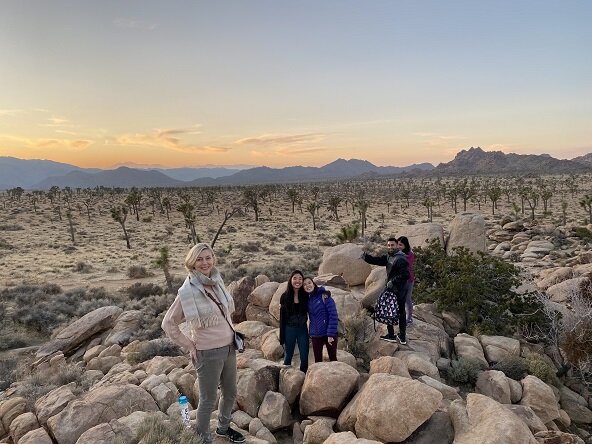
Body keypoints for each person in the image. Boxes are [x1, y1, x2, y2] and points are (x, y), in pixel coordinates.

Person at [161, 243, 245, 444]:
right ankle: (203, 437)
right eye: (199, 259)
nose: (205, 262)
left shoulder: (217, 282)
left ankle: (223, 428)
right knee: (208, 400)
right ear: (192, 263)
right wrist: (189, 345)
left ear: (213, 259)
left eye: (208, 258)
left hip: (229, 347)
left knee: (230, 392)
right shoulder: (187, 291)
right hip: (207, 353)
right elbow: (168, 323)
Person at [362, 237, 410, 345]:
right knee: (389, 309)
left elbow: (405, 275)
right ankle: (392, 335)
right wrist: (366, 257)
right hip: (392, 288)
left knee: (401, 312)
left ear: (397, 245)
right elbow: (378, 260)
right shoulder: (389, 256)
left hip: (400, 289)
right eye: (388, 245)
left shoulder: (401, 259)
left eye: (392, 245)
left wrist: (393, 281)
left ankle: (401, 337)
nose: (390, 247)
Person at [279, 270, 309, 372]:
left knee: (304, 357)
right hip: (289, 329)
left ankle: (302, 377)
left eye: (300, 279)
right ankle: (284, 378)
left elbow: (316, 290)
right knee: (288, 356)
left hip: (302, 329)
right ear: (290, 280)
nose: (298, 281)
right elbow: (282, 318)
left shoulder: (306, 295)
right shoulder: (284, 296)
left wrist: (325, 293)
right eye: (295, 278)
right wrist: (282, 337)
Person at [304, 277, 339, 363]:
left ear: (313, 283)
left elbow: (333, 315)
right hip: (315, 334)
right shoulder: (306, 299)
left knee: (333, 359)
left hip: (329, 333)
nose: (307, 285)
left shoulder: (324, 296)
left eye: (309, 283)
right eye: (304, 285)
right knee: (318, 362)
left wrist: (330, 334)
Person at [398, 236, 416, 326]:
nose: (399, 246)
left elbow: (406, 264)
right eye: (398, 244)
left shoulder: (410, 254)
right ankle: (402, 316)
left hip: (408, 280)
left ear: (405, 245)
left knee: (407, 299)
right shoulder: (398, 253)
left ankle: (409, 319)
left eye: (400, 245)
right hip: (400, 280)